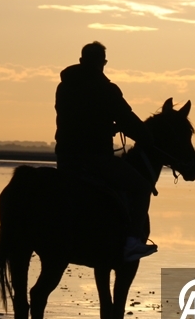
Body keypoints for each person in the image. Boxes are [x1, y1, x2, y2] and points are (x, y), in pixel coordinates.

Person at [54, 41, 157, 262]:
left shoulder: (64, 86)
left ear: (82, 61)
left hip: (65, 157)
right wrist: (147, 138)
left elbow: (75, 119)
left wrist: (104, 125)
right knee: (141, 187)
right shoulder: (105, 89)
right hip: (95, 157)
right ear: (104, 62)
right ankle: (132, 243)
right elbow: (127, 119)